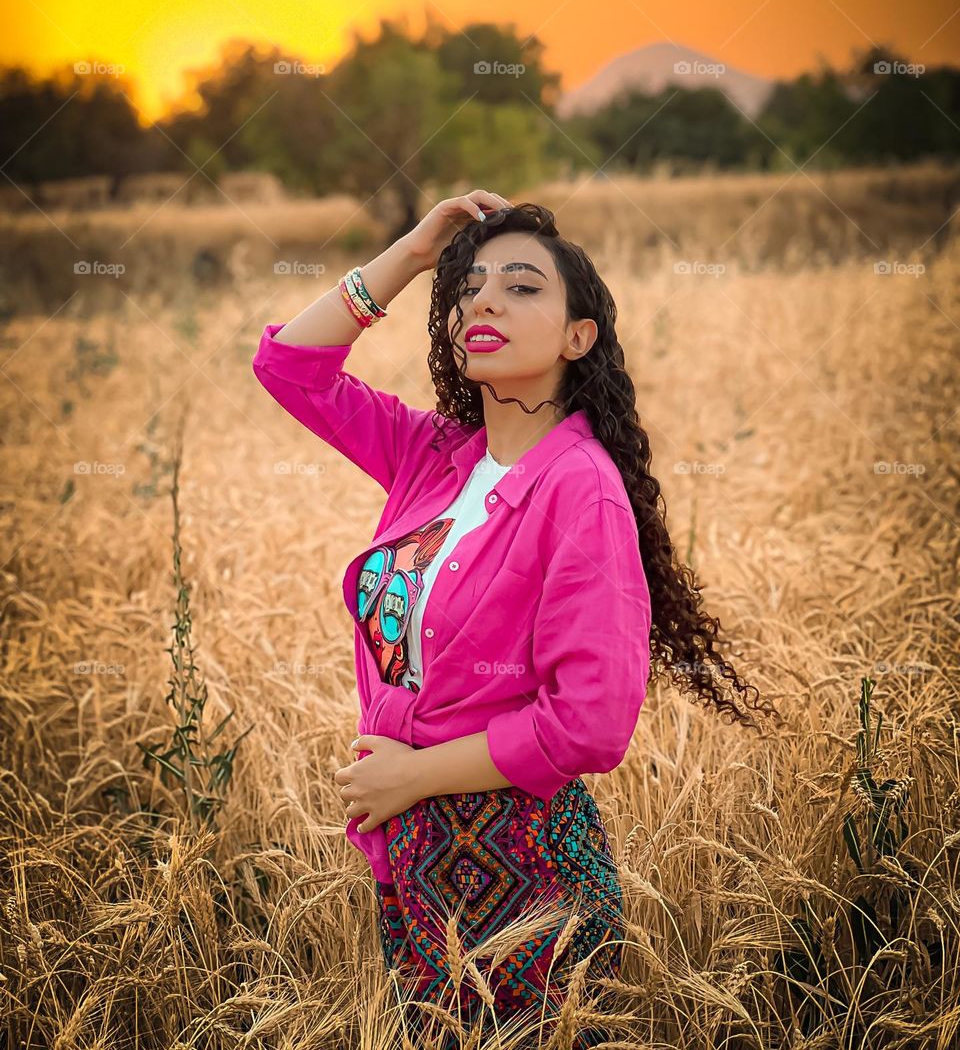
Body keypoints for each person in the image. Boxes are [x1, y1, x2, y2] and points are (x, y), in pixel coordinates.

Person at [252, 192, 781, 1047]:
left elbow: (592, 724)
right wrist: (417, 250)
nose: (484, 300)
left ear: (580, 337)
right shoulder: (432, 457)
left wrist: (415, 776)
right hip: (419, 871)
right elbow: (289, 369)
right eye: (470, 287)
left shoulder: (582, 490)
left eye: (523, 287)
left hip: (527, 882)